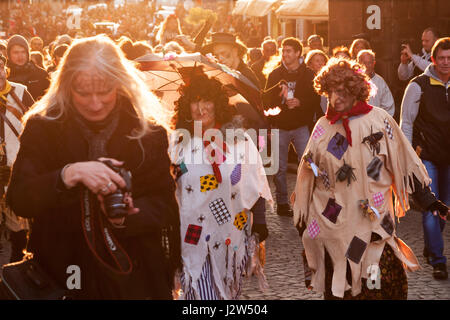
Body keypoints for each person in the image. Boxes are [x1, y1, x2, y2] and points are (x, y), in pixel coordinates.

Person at [6, 35, 181, 299]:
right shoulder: (42, 128)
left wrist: (125, 216)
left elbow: (166, 206)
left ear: (120, 84)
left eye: (104, 91)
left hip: (135, 276)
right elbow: (19, 198)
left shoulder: (148, 133)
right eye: (83, 92)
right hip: (63, 276)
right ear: (66, 87)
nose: (95, 103)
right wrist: (67, 175)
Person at [292, 57, 449, 300]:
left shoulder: (379, 120)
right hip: (334, 224)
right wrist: (303, 216)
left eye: (342, 91)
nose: (336, 98)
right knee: (342, 289)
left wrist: (428, 199)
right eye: (331, 92)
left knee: (381, 285)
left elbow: (404, 160)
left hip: (373, 222)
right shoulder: (323, 126)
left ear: (356, 91)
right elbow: (306, 170)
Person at [170, 74, 272, 300]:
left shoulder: (238, 141)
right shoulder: (177, 143)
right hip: (192, 236)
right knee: (200, 294)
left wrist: (260, 223)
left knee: (227, 293)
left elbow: (254, 181)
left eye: (206, 100)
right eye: (194, 101)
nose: (200, 108)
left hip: (230, 237)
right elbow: (168, 190)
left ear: (217, 103)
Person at [400, 37, 450, 280]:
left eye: (449, 58)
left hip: (449, 158)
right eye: (441, 58)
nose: (445, 62)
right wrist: (409, 158)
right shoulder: (417, 86)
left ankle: (432, 246)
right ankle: (439, 261)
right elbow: (406, 124)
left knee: (444, 210)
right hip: (426, 156)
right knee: (432, 208)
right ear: (432, 59)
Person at [263, 37, 321, 217]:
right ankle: (282, 203)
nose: (285, 54)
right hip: (280, 125)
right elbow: (265, 100)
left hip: (301, 126)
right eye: (283, 51)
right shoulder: (274, 75)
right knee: (279, 168)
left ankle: (306, 201)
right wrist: (280, 99)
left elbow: (316, 99)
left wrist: (300, 102)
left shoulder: (309, 74)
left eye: (289, 51)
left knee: (307, 165)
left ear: (298, 53)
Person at [0, 53, 33, 267]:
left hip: (14, 170)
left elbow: (36, 126)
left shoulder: (20, 92)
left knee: (19, 227)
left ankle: (17, 272)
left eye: (0, 67)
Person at [6, 34, 50, 100]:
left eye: (23, 52)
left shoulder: (41, 74)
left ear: (28, 53)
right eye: (16, 52)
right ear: (9, 54)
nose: (20, 56)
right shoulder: (4, 76)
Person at [357, 50, 395, 116]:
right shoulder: (352, 81)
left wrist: (381, 120)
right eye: (364, 63)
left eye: (369, 63)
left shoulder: (380, 81)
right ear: (358, 63)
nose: (367, 66)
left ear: (374, 63)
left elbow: (388, 105)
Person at [305, 49, 329, 114]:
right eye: (317, 61)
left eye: (322, 60)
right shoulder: (306, 78)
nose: (320, 63)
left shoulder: (329, 77)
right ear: (310, 63)